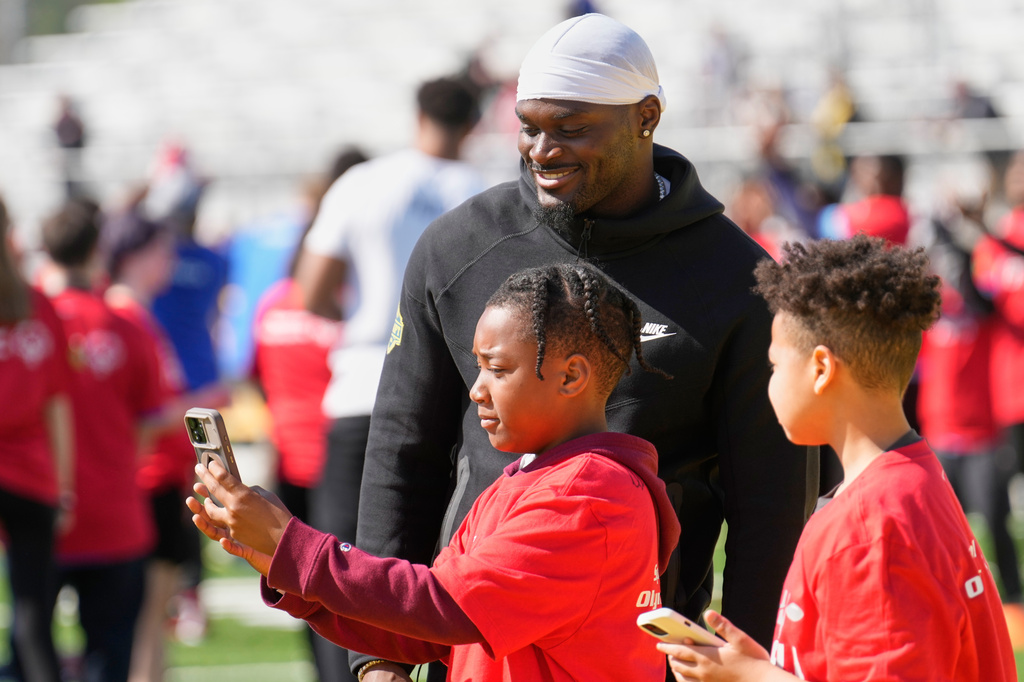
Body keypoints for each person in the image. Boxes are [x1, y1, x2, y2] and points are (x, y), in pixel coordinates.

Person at [353, 13, 813, 681]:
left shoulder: (736, 280)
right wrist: (379, 657)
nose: (543, 149)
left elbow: (771, 506)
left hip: (640, 659)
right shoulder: (457, 249)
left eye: (571, 128)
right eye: (530, 126)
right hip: (479, 654)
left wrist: (747, 664)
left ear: (646, 117)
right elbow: (403, 450)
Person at [188, 262, 681, 681]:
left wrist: (293, 545)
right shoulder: (530, 480)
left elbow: (446, 606)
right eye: (478, 368)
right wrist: (282, 562)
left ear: (571, 376)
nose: (477, 389)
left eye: (499, 369)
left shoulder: (589, 495)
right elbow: (421, 626)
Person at [660, 235, 1016, 682]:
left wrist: (751, 678)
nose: (769, 383)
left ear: (822, 370)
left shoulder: (870, 529)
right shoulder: (913, 477)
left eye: (774, 366)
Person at [293, 75, 485, 680]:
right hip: (450, 394)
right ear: (473, 125)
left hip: (360, 383)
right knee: (437, 572)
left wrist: (362, 317)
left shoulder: (362, 182)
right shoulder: (484, 191)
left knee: (335, 565)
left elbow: (310, 289)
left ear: (417, 114)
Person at [41, 198, 164, 682]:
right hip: (115, 515)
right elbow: (151, 417)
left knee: (31, 647)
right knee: (109, 658)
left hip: (43, 514)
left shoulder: (28, 326)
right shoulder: (127, 326)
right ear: (96, 249)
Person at [0, 195, 72, 682]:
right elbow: (57, 407)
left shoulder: (37, 303)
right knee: (34, 614)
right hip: (31, 478)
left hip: (25, 473)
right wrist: (64, 488)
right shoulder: (37, 304)